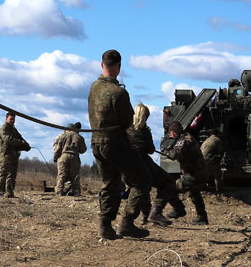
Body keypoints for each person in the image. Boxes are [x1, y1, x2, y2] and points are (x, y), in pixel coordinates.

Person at [87, 49, 151, 240]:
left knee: (110, 183)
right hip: (114, 143)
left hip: (96, 142)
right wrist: (140, 144)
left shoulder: (93, 87)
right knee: (142, 179)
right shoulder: (119, 93)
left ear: (101, 65)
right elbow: (128, 124)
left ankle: (105, 226)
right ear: (119, 67)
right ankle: (127, 223)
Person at [128, 103, 183, 226]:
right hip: (143, 162)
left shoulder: (126, 129)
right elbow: (151, 149)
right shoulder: (144, 131)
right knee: (168, 182)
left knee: (142, 188)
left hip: (128, 166)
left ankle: (144, 218)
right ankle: (155, 212)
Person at [162, 121, 211, 225]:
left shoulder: (182, 141)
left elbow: (174, 154)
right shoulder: (188, 137)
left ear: (174, 133)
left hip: (194, 175)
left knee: (170, 187)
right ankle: (202, 217)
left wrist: (167, 152)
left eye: (171, 133)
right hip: (200, 173)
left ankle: (178, 209)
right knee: (195, 193)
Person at [0, 113, 30, 197]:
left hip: (13, 155)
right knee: (4, 173)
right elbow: (7, 139)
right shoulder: (3, 128)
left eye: (13, 119)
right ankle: (0, 190)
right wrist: (20, 142)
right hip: (5, 155)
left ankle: (9, 191)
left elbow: (20, 138)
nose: (12, 121)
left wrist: (26, 145)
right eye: (11, 119)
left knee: (12, 174)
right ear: (6, 119)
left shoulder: (13, 130)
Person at [52, 122, 87, 196]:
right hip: (74, 156)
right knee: (75, 176)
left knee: (62, 175)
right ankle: (76, 192)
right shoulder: (79, 137)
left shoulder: (63, 135)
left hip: (64, 156)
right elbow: (83, 150)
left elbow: (58, 148)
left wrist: (55, 157)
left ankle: (59, 192)